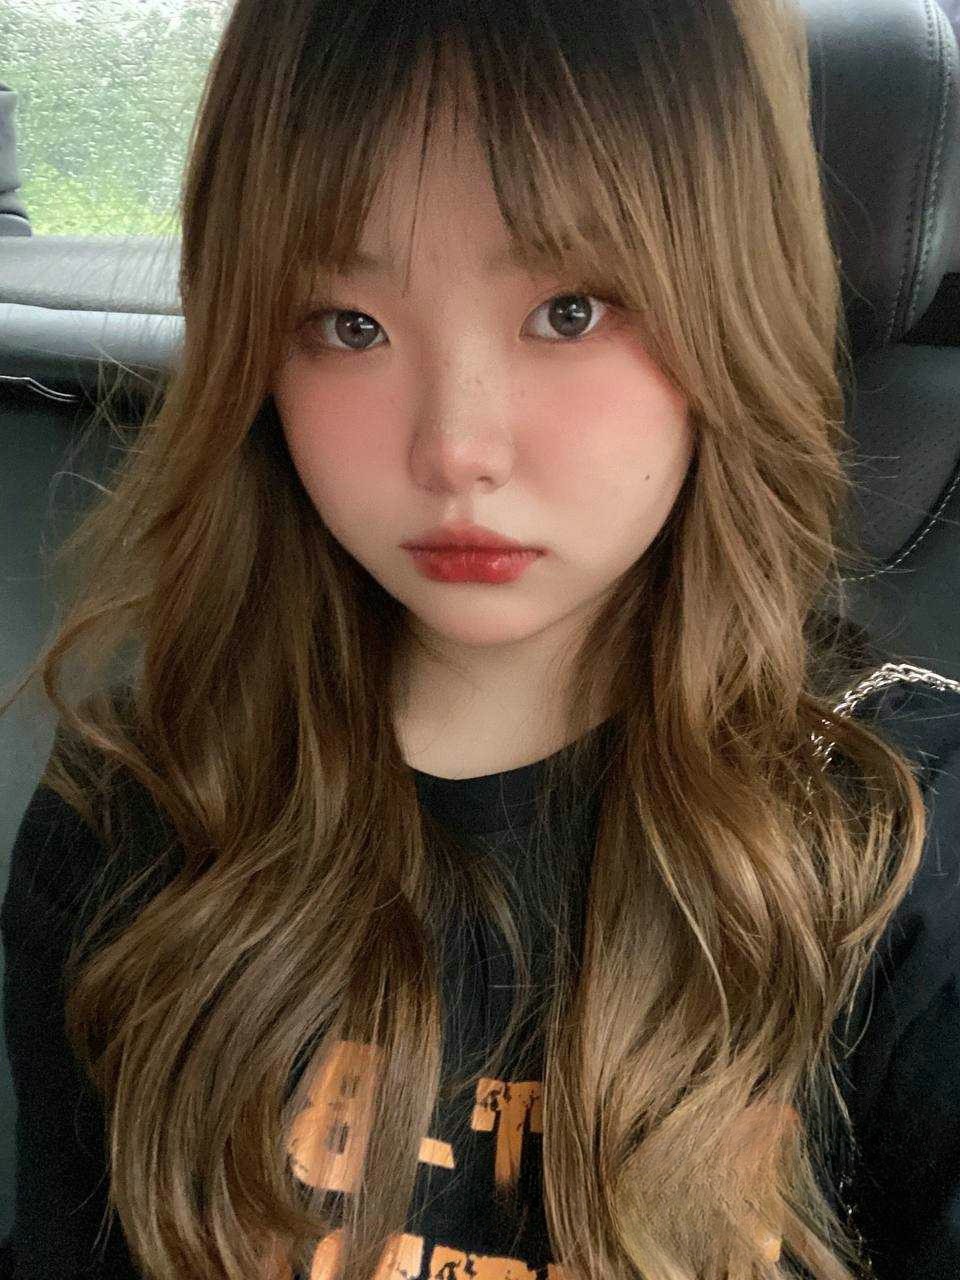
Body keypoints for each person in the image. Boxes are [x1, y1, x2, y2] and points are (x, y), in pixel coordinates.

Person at [1, 1, 959, 1278]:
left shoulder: (905, 839)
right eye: (348, 324)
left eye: (570, 311)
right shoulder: (136, 810)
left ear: (732, 301)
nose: (455, 449)